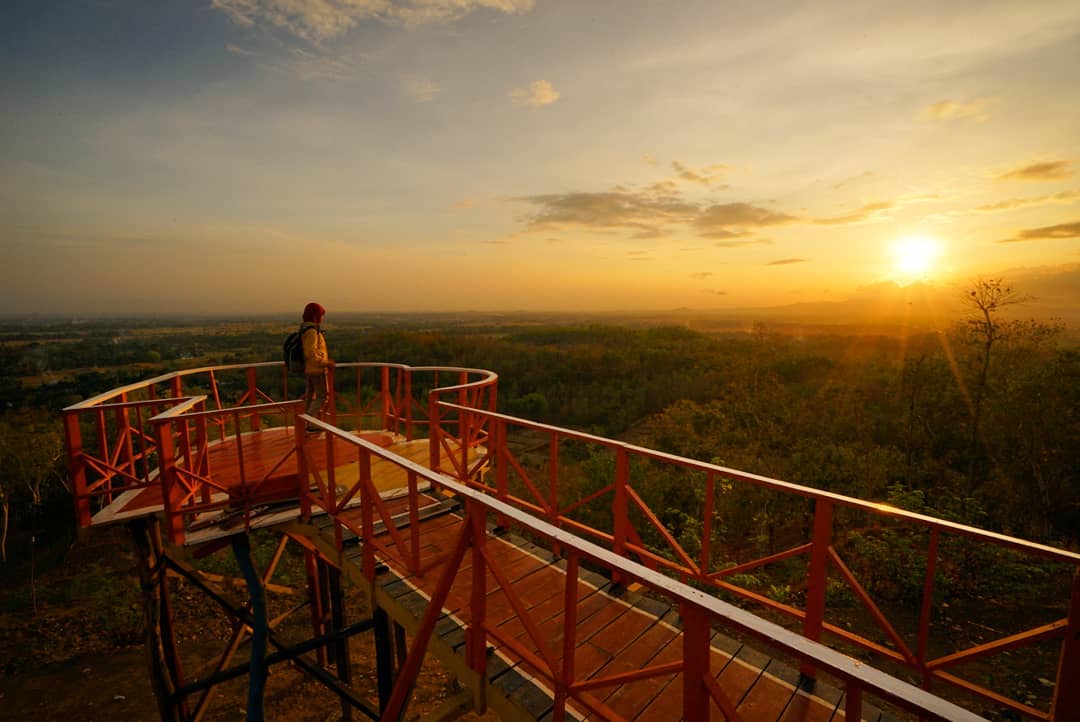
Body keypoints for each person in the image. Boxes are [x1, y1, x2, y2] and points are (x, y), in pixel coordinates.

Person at [300, 302, 334, 433]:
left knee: (309, 396)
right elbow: (311, 352)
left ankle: (306, 423)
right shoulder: (312, 332)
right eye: (321, 315)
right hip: (316, 369)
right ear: (315, 316)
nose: (322, 318)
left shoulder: (305, 329)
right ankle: (307, 421)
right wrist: (325, 363)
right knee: (322, 397)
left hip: (309, 369)